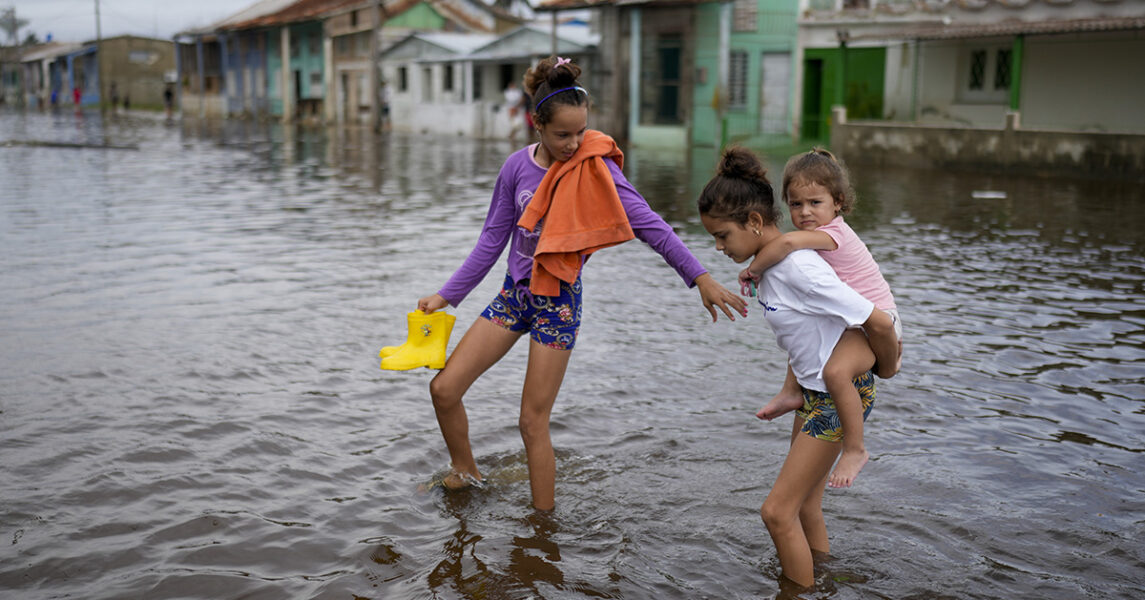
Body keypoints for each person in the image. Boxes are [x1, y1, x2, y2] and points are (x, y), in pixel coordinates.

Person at [416, 56, 747, 512]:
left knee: (532, 421)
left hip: (559, 303)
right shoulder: (516, 169)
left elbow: (650, 224)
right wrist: (446, 295)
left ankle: (542, 526)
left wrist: (701, 277)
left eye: (580, 132)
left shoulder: (597, 167)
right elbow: (491, 242)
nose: (574, 144)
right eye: (562, 135)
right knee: (444, 389)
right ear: (536, 125)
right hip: (515, 295)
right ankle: (466, 472)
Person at [697, 146, 898, 589]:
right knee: (805, 505)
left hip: (837, 397)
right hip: (815, 393)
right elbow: (803, 336)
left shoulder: (801, 269)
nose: (718, 246)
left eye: (723, 235)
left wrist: (889, 365)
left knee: (776, 512)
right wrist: (792, 389)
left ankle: (798, 592)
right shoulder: (770, 267)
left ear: (753, 223)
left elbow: (878, 320)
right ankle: (820, 578)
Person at [738, 148, 901, 488]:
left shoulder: (835, 233)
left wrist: (752, 270)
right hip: (854, 319)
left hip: (877, 321)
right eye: (795, 204)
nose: (805, 212)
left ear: (838, 202)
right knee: (802, 328)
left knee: (835, 371)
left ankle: (855, 448)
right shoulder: (820, 236)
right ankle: (791, 391)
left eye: (815, 203)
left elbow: (786, 244)